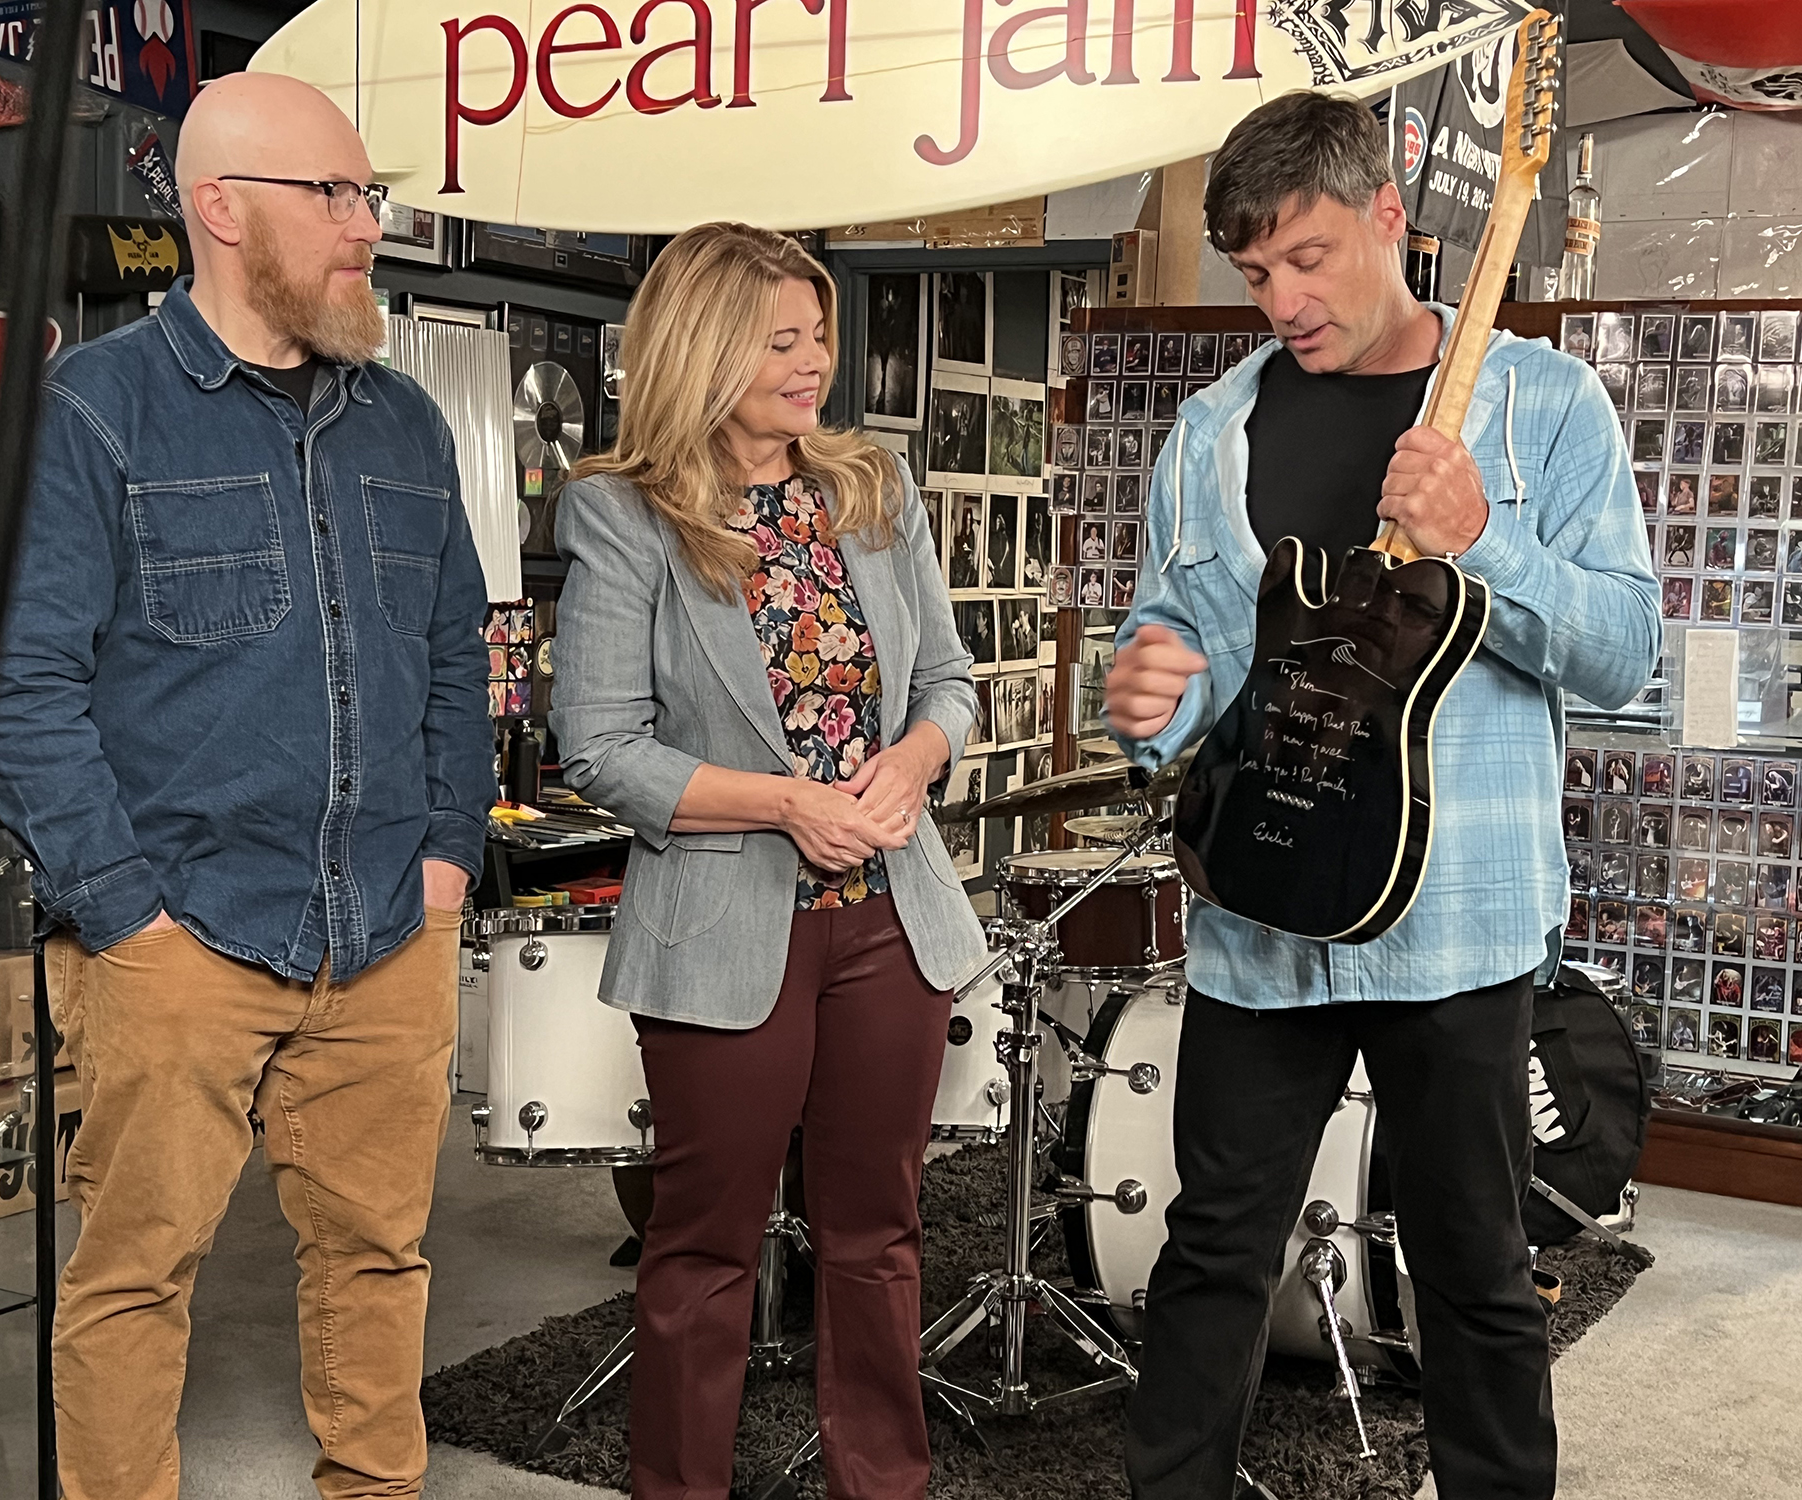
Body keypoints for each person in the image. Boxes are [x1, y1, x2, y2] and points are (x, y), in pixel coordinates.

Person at [1102, 92, 1659, 1500]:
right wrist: (1144, 689)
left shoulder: (1543, 405)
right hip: (1259, 916)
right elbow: (1177, 633)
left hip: (1459, 928)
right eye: (1253, 274)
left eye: (1309, 258)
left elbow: (1624, 656)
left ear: (1391, 220)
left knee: (1474, 1267)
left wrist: (1489, 550)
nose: (1283, 300)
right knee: (1215, 1251)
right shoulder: (1210, 430)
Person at [0, 72, 491, 1500]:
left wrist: (447, 861)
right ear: (219, 208)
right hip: (178, 937)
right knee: (136, 1279)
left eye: (366, 195)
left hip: (390, 924)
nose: (363, 227)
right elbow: (21, 693)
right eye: (331, 196)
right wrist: (121, 915)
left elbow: (457, 657)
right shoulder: (95, 413)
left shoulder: (403, 424)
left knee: (382, 1261)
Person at [550, 223, 987, 1500]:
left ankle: (880, 1486)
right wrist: (788, 805)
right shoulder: (623, 512)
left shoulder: (873, 490)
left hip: (888, 925)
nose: (812, 366)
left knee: (880, 1239)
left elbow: (950, 684)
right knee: (702, 1253)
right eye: (780, 340)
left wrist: (914, 759)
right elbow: (600, 747)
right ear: (700, 347)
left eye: (819, 337)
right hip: (723, 931)